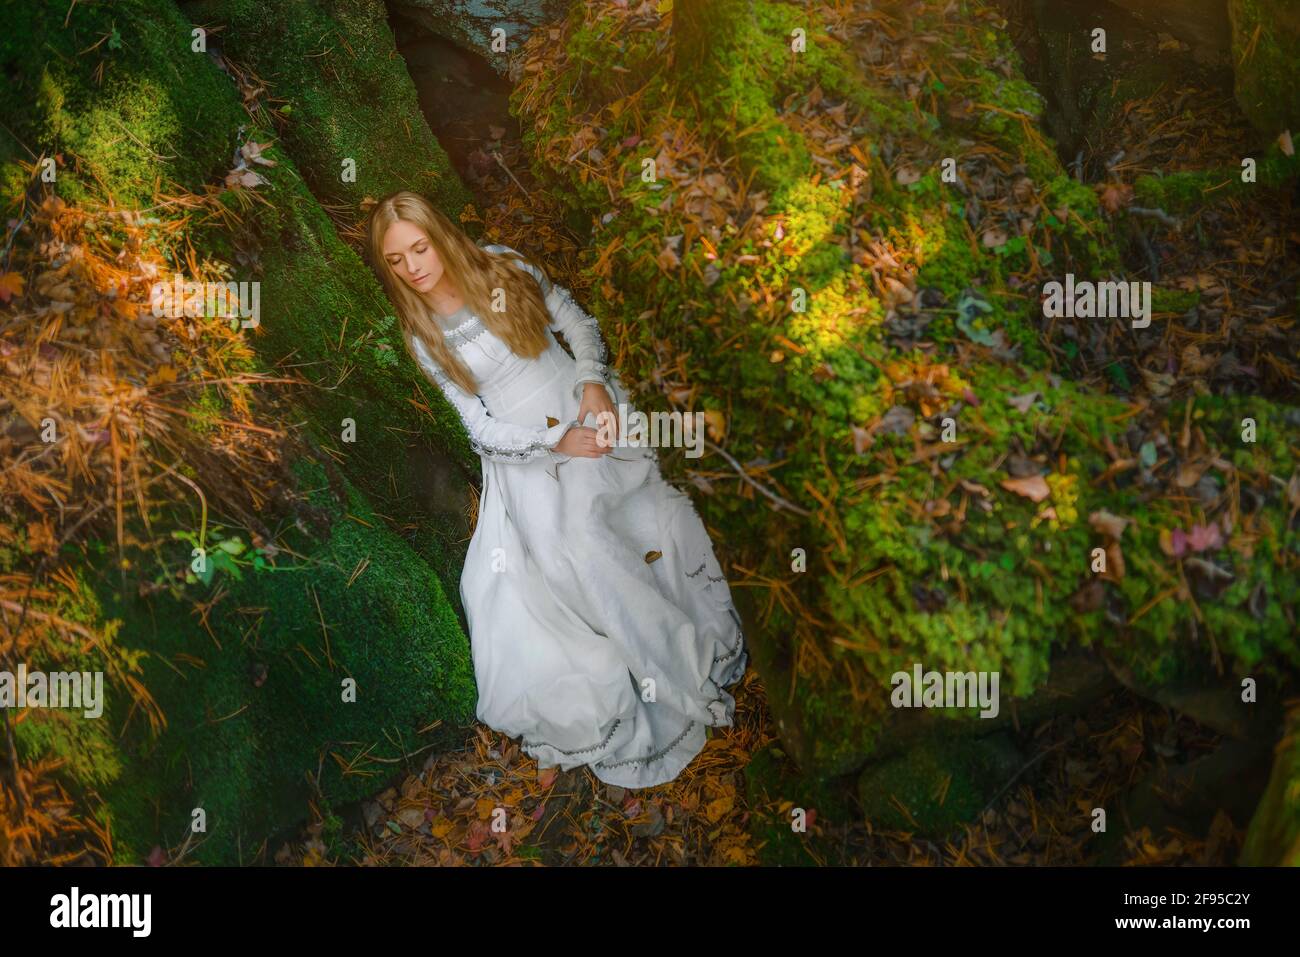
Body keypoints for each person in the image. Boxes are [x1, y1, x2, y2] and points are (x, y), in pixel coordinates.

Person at [365, 191, 747, 788]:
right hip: (524, 450)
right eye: (396, 260)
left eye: (420, 247)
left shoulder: (499, 265)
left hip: (575, 396)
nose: (414, 266)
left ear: (440, 235)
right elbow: (479, 428)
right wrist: (552, 445)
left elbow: (573, 320)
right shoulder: (421, 335)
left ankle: (691, 647)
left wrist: (593, 384)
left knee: (645, 514)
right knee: (573, 548)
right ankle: (664, 667)